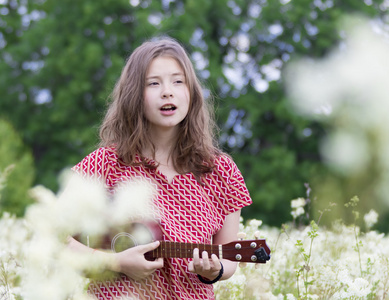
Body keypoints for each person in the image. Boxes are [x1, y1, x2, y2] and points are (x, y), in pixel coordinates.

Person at [66, 36, 253, 299]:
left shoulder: (221, 171)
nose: (168, 91)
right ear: (134, 95)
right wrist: (117, 263)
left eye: (178, 81)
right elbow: (56, 239)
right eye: (153, 83)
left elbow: (229, 257)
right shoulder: (103, 164)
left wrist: (214, 270)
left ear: (191, 92)